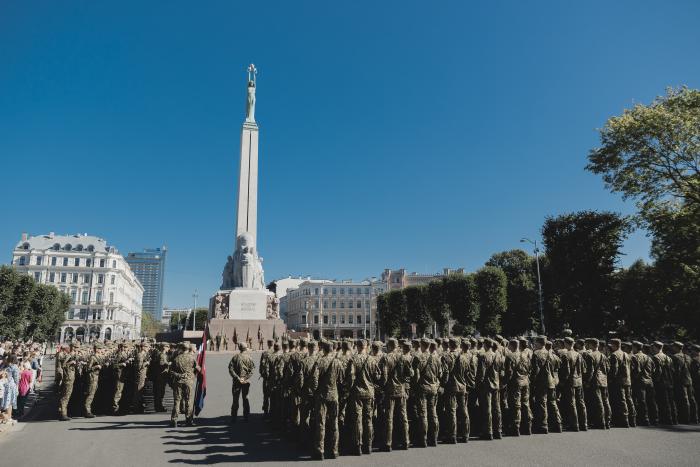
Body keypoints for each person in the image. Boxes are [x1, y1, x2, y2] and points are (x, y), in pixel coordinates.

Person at [345, 339, 381, 455]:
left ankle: (358, 446)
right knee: (368, 419)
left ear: (358, 347)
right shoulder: (372, 359)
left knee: (357, 420)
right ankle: (368, 445)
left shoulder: (353, 359)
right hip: (369, 393)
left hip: (357, 393)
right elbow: (378, 376)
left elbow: (350, 377)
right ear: (366, 347)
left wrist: (350, 389)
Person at [313, 340, 345, 460]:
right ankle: (334, 450)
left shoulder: (319, 361)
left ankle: (320, 451)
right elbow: (341, 380)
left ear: (324, 349)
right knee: (334, 423)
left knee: (321, 423)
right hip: (334, 395)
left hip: (321, 396)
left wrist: (315, 391)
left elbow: (315, 380)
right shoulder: (337, 362)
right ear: (332, 350)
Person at [170, 342, 200, 427]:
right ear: (188, 349)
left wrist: (178, 375)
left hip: (178, 382)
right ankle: (188, 420)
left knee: (177, 401)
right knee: (188, 401)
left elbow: (171, 371)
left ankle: (174, 420)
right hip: (188, 382)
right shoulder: (192, 358)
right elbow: (198, 368)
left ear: (181, 349)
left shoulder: (176, 358)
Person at [229, 342, 255, 423]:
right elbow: (252, 370)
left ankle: (234, 417)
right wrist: (245, 378)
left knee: (235, 399)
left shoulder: (235, 357)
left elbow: (231, 369)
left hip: (237, 382)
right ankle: (246, 416)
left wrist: (237, 377)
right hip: (246, 382)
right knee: (245, 398)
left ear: (239, 348)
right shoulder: (249, 358)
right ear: (246, 348)